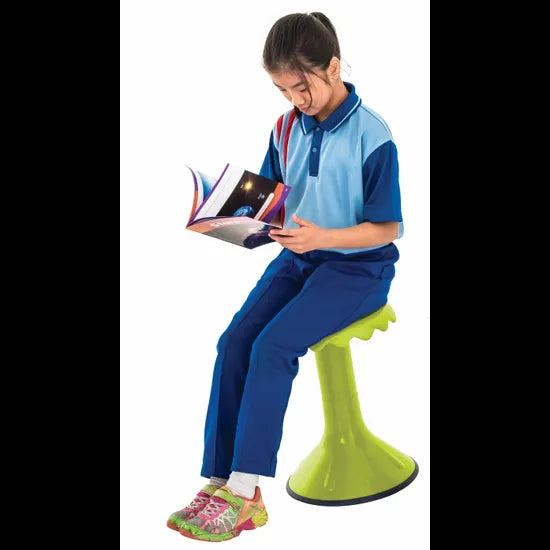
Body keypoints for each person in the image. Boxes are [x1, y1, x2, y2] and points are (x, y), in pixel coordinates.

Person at [167, 11, 403, 542]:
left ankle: (247, 493)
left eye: (302, 87)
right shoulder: (285, 127)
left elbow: (388, 227)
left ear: (333, 67)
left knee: (273, 347)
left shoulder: (373, 135)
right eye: (283, 90)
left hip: (360, 269)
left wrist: (323, 238)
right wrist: (232, 219)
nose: (296, 100)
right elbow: (271, 199)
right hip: (299, 260)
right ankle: (219, 482)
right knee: (234, 342)